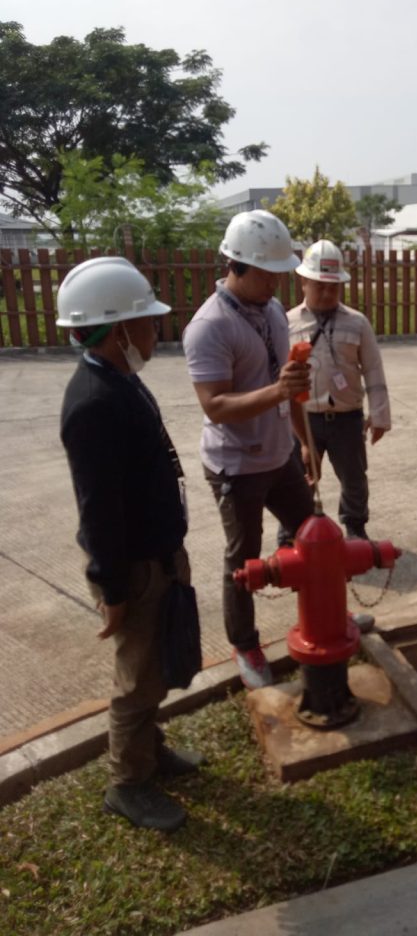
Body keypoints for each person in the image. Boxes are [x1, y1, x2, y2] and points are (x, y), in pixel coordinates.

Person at [57, 257, 202, 833]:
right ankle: (127, 782)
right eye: (147, 320)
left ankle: (149, 749)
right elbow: (98, 510)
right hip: (132, 567)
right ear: (120, 330)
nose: (156, 330)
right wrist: (112, 590)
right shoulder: (92, 403)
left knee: (158, 664)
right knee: (136, 678)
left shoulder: (121, 380)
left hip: (157, 553)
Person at [182, 210, 315, 691]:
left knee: (315, 538)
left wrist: (304, 441)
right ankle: (245, 644)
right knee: (244, 560)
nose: (276, 283)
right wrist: (279, 391)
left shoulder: (274, 311)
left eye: (280, 273)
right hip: (236, 465)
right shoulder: (209, 327)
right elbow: (215, 406)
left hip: (279, 455)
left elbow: (288, 382)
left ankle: (322, 616)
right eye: (267, 273)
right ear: (236, 265)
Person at [286, 240, 391, 540]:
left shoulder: (357, 323)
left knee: (354, 479)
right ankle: (293, 533)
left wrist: (380, 416)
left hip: (347, 418)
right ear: (304, 282)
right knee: (300, 480)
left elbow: (373, 370)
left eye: (333, 287)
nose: (327, 293)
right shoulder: (287, 322)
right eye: (320, 285)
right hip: (304, 419)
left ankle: (355, 529)